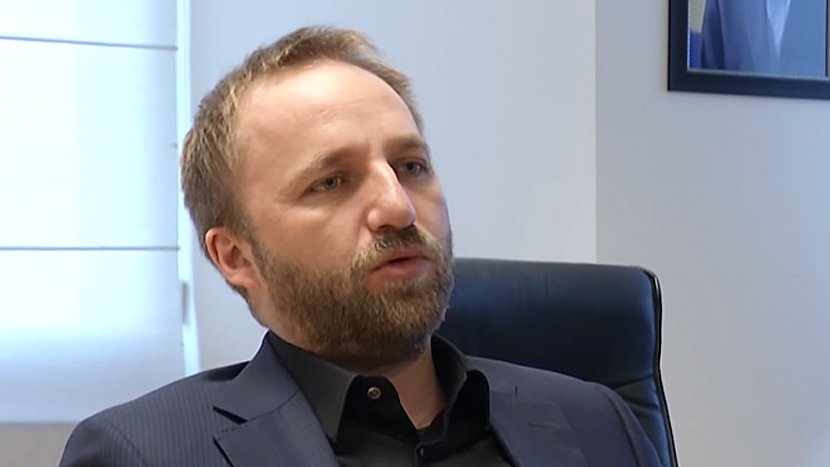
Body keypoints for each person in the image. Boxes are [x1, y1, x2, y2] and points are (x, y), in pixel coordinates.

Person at [59, 26, 662, 466]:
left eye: (411, 166)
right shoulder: (144, 453)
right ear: (235, 256)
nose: (398, 207)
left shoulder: (596, 422)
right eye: (331, 182)